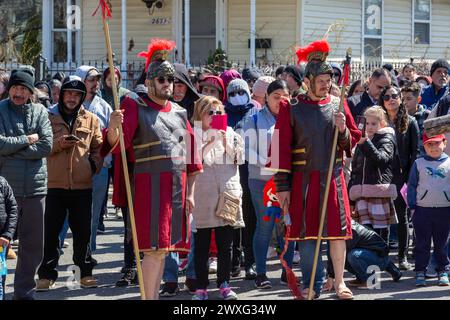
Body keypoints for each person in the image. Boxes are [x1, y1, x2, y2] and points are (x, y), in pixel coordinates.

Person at [103, 38, 202, 300]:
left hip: (176, 188)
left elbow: (192, 158)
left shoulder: (180, 112)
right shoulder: (135, 105)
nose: (167, 84)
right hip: (148, 187)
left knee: (163, 250)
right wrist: (113, 127)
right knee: (153, 250)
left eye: (171, 80)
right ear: (150, 82)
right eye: (162, 80)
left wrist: (190, 193)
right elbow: (118, 145)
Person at [268, 40, 361, 299]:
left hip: (333, 177)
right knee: (307, 236)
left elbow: (353, 138)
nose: (326, 84)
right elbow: (279, 149)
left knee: (337, 234)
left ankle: (340, 281)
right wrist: (282, 187)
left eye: (328, 79)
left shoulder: (338, 103)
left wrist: (343, 129)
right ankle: (312, 283)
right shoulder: (291, 107)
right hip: (302, 180)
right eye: (321, 79)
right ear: (308, 80)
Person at [36, 76, 103, 290]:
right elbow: (40, 146)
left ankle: (84, 273)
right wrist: (58, 145)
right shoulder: (47, 116)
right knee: (51, 233)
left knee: (83, 232)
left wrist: (93, 166)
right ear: (61, 94)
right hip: (53, 185)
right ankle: (46, 275)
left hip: (82, 185)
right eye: (68, 93)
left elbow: (98, 148)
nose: (72, 98)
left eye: (76, 94)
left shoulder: (91, 119)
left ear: (82, 97)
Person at [0, 68, 53, 300]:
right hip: (5, 190)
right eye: (15, 88)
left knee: (32, 247)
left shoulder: (41, 111)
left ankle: (23, 293)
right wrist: (26, 140)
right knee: (1, 243)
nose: (18, 93)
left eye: (23, 89)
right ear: (9, 89)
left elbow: (46, 146)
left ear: (31, 93)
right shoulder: (0, 111)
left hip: (35, 189)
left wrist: (12, 150)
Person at [190, 96, 245, 300]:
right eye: (210, 112)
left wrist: (224, 142)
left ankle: (224, 284)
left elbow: (241, 159)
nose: (214, 116)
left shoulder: (231, 133)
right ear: (200, 114)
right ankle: (201, 287)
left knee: (225, 244)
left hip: (228, 193)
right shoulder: (192, 134)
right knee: (202, 245)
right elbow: (192, 162)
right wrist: (209, 142)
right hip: (202, 195)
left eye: (218, 112)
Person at [242, 79, 295, 289]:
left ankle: (286, 270)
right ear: (266, 98)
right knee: (264, 227)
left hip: (286, 182)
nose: (280, 101)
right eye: (276, 97)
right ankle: (261, 273)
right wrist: (267, 161)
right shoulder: (254, 118)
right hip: (261, 180)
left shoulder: (294, 118)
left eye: (284, 97)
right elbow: (245, 149)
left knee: (287, 226)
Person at [379, 85, 419, 270]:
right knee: (381, 218)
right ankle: (381, 258)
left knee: (402, 218)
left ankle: (402, 257)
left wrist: (410, 178)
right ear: (382, 101)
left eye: (394, 95)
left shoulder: (410, 122)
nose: (391, 99)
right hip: (380, 175)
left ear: (401, 98)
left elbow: (415, 152)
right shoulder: (378, 121)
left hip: (402, 176)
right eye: (386, 97)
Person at [75, 66, 113, 253]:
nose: (96, 83)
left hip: (98, 169)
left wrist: (106, 162)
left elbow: (110, 137)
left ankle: (88, 252)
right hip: (72, 168)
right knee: (67, 214)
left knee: (93, 213)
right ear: (81, 80)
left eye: (97, 80)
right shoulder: (70, 102)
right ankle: (55, 252)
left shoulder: (104, 107)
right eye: (91, 79)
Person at [225, 79, 258, 280]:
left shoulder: (255, 112)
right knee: (230, 218)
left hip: (249, 173)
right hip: (228, 173)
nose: (237, 96)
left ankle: (250, 261)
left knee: (249, 218)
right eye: (232, 93)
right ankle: (233, 261)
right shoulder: (222, 114)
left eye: (241, 91)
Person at [348, 106, 398, 242]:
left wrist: (366, 143)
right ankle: (369, 262)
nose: (369, 127)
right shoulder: (361, 141)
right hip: (361, 195)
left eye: (374, 123)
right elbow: (355, 171)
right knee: (364, 234)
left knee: (379, 234)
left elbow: (382, 160)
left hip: (378, 194)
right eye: (367, 123)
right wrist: (351, 199)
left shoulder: (386, 139)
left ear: (382, 124)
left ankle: (381, 261)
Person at [407, 133, 450, 287]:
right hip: (422, 210)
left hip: (444, 210)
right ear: (424, 146)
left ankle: (442, 271)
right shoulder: (419, 163)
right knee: (422, 243)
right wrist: (412, 207)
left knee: (442, 243)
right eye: (429, 144)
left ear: (444, 143)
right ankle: (420, 271)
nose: (433, 148)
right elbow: (411, 185)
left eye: (437, 143)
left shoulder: (449, 163)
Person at [324, 220, 402, 290]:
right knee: (346, 256)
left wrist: (331, 277)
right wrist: (331, 276)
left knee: (352, 256)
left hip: (379, 256)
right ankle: (362, 277)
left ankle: (371, 280)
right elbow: (332, 254)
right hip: (376, 254)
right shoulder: (341, 226)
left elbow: (338, 256)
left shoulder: (350, 230)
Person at [0, 176, 18, 300]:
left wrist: (7, 234)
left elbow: (13, 210)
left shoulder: (2, 183)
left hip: (1, 243)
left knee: (0, 279)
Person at [401, 82, 430, 155]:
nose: (404, 102)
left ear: (418, 99)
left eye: (408, 99)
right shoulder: (399, 116)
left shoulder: (427, 116)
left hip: (423, 159)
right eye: (402, 99)